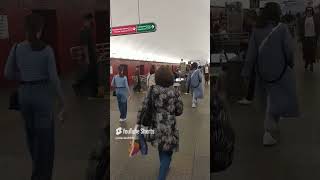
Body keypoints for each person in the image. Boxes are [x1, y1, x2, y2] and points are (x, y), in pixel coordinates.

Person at [4, 13, 65, 180]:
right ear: (41, 29)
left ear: (25, 28)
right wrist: (62, 102)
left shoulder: (16, 48)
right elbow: (53, 79)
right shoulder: (46, 50)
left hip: (24, 95)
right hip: (42, 96)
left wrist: (24, 76)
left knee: (31, 136)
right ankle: (40, 176)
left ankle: (37, 170)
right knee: (45, 141)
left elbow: (8, 73)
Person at [242, 2, 299, 146]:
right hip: (279, 71)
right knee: (277, 97)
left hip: (262, 72)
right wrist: (290, 63)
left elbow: (251, 54)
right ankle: (268, 131)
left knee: (268, 98)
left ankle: (271, 126)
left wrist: (246, 72)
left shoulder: (256, 30)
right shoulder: (283, 29)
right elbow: (289, 50)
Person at [137, 65, 183, 180]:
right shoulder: (175, 91)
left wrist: (138, 124)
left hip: (156, 126)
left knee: (161, 148)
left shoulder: (152, 90)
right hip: (169, 127)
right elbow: (179, 110)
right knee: (167, 152)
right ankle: (162, 174)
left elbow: (143, 108)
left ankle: (164, 165)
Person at [79, 13, 99, 98]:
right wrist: (87, 58)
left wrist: (95, 50)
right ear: (88, 20)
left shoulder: (89, 29)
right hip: (90, 56)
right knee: (92, 74)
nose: (92, 21)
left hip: (92, 55)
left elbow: (91, 43)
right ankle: (93, 92)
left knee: (91, 74)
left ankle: (83, 87)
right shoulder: (84, 31)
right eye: (91, 20)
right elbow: (85, 46)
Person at [298, 7, 320, 72]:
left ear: (312, 11)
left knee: (312, 51)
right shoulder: (303, 19)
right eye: (308, 10)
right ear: (306, 11)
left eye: (310, 10)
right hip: (305, 38)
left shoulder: (315, 19)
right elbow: (300, 28)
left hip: (313, 37)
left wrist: (318, 37)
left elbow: (318, 28)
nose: (309, 12)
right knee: (305, 51)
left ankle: (311, 64)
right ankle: (307, 62)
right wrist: (300, 36)